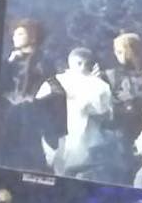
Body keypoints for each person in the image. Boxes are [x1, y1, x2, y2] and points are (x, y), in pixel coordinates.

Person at [37, 47, 115, 178]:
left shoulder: (100, 85)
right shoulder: (55, 81)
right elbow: (40, 105)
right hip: (59, 129)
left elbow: (107, 112)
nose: (83, 67)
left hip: (88, 132)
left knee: (80, 165)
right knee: (57, 165)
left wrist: (91, 108)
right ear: (70, 62)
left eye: (87, 64)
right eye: (79, 63)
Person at [0, 18, 51, 169]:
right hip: (8, 114)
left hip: (32, 116)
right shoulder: (11, 60)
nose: (15, 37)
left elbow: (50, 87)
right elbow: (1, 85)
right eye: (14, 34)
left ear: (32, 37)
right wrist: (8, 63)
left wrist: (32, 99)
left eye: (20, 34)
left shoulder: (43, 62)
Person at [104, 32, 142, 147]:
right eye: (117, 52)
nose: (117, 55)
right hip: (120, 130)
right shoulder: (110, 75)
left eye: (120, 52)